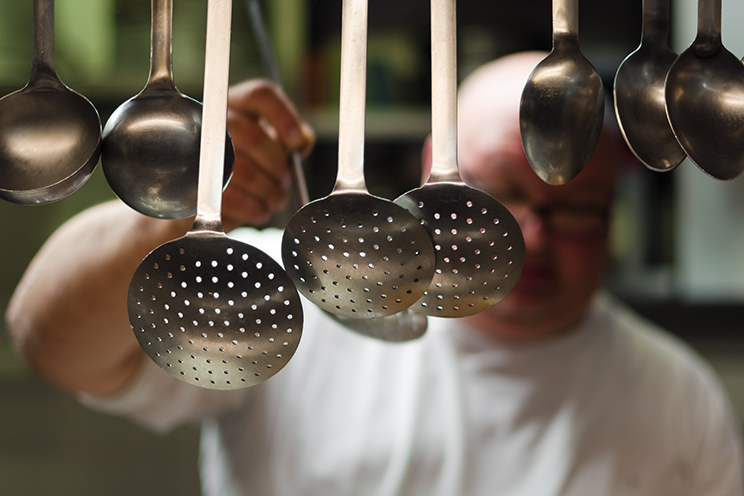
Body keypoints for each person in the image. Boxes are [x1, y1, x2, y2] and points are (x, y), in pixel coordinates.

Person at [6, 52, 743, 496]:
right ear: (433, 172)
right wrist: (174, 213)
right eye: (501, 194)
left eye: (578, 207)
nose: (533, 236)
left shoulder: (678, 396)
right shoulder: (297, 300)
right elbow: (45, 337)